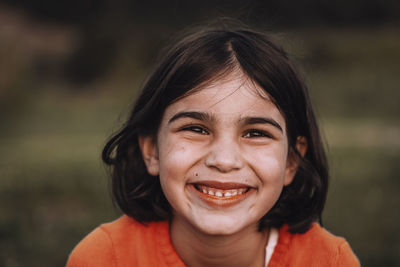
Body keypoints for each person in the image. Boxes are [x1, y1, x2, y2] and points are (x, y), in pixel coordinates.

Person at [67, 25, 360, 267]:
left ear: (291, 162)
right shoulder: (104, 258)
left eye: (256, 133)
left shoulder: (329, 261)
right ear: (152, 151)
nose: (223, 159)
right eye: (195, 129)